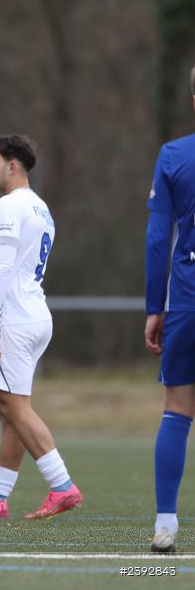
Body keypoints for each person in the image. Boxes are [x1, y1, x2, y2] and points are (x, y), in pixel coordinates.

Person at [0, 134, 83, 520]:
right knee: (10, 408)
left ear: (12, 165)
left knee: (13, 405)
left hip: (14, 319)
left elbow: (2, 265)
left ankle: (62, 486)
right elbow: (17, 269)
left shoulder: (8, 206)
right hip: (34, 315)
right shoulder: (41, 208)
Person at [143, 66, 195, 553]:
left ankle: (165, 526)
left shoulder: (174, 155)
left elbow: (159, 238)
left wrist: (153, 305)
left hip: (187, 299)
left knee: (178, 411)